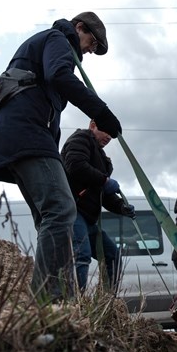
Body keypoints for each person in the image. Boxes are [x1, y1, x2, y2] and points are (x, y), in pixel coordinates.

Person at [0, 12, 122, 302]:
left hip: (22, 135)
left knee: (50, 217)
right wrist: (100, 111)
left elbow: (48, 95)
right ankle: (48, 301)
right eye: (92, 42)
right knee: (62, 209)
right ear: (79, 28)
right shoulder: (58, 39)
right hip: (25, 133)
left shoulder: (51, 45)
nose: (90, 50)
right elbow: (59, 76)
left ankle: (57, 297)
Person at [61, 120, 136, 294]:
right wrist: (104, 180)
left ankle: (106, 302)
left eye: (112, 135)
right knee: (82, 254)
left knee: (112, 255)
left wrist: (120, 206)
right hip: (73, 209)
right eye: (107, 132)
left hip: (88, 218)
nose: (109, 137)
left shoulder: (102, 159)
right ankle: (74, 305)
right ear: (93, 124)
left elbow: (102, 195)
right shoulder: (80, 139)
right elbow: (76, 165)